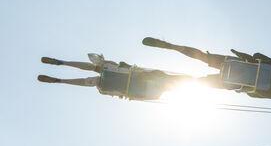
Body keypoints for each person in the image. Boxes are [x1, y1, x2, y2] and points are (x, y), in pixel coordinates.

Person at [141, 37, 271, 100]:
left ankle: (172, 46)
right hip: (233, 82)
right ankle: (165, 80)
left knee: (202, 56)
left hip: (237, 64)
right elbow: (255, 95)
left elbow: (257, 56)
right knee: (198, 82)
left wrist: (239, 54)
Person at [36, 54, 191, 101]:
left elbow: (142, 75)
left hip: (122, 80)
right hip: (120, 83)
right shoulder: (157, 92)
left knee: (96, 71)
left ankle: (62, 64)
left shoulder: (158, 86)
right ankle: (60, 75)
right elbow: (136, 95)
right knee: (95, 77)